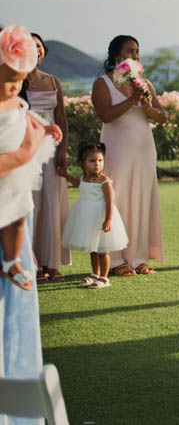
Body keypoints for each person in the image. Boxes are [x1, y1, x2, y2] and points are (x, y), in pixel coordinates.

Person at [91, 35, 166, 277]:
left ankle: (138, 257)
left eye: (137, 51)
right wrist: (132, 99)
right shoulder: (103, 83)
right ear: (116, 56)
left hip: (144, 151)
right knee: (117, 200)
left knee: (142, 201)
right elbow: (104, 114)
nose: (135, 55)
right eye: (130, 50)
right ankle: (114, 259)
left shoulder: (144, 83)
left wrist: (145, 104)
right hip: (116, 150)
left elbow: (162, 116)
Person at [0, 25, 61, 291]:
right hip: (7, 165)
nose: (15, 87)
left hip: (17, 173)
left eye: (19, 81)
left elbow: (29, 118)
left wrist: (46, 130)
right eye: (9, 80)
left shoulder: (18, 102)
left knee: (20, 217)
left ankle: (12, 261)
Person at [22, 33, 71, 283]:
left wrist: (62, 150)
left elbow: (61, 118)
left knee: (52, 204)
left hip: (52, 149)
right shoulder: (14, 82)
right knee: (33, 205)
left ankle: (52, 264)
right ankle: (33, 263)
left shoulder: (53, 81)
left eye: (38, 46)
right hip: (25, 150)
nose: (35, 50)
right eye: (29, 45)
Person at [60, 142, 128, 290]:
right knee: (93, 249)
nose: (97, 164)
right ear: (82, 163)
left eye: (100, 160)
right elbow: (79, 184)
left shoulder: (104, 180)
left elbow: (110, 201)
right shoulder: (84, 178)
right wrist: (65, 175)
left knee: (102, 250)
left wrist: (108, 219)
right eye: (92, 161)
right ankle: (95, 274)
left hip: (101, 217)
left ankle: (104, 277)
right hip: (87, 218)